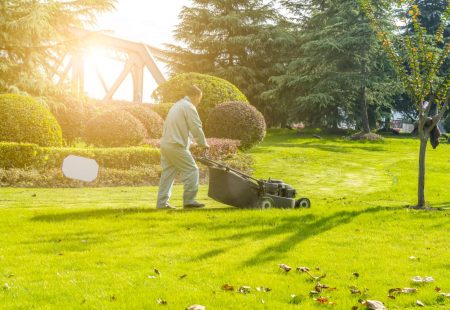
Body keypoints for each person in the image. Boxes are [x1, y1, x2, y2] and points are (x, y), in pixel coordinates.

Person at [156, 85, 209, 209]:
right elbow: (195, 127)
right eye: (199, 98)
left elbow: (181, 127)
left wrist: (191, 143)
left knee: (167, 175)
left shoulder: (177, 105)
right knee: (192, 170)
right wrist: (203, 143)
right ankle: (189, 201)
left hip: (166, 145)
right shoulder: (189, 107)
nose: (199, 101)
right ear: (195, 96)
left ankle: (162, 204)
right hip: (176, 146)